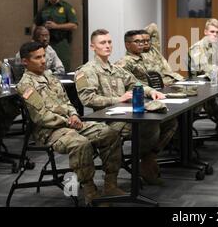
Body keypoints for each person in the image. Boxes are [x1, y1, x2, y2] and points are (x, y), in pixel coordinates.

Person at [16, 42, 124, 206]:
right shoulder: (26, 85)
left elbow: (66, 101)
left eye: (44, 56)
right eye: (37, 58)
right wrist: (68, 120)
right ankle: (90, 192)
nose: (43, 61)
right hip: (49, 132)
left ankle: (110, 185)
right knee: (81, 143)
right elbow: (41, 117)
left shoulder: (50, 76)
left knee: (110, 133)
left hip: (71, 123)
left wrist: (73, 114)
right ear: (25, 61)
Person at [75, 29, 177, 185]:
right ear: (92, 46)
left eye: (109, 42)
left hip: (127, 114)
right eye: (102, 42)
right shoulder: (86, 71)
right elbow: (88, 99)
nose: (107, 45)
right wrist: (118, 99)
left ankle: (148, 158)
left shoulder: (116, 69)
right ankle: (144, 161)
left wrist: (152, 91)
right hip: (107, 119)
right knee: (151, 125)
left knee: (170, 121)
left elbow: (136, 83)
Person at [34, 0, 78, 72]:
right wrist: (33, 38)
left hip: (61, 44)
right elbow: (35, 23)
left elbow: (74, 25)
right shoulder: (44, 8)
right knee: (42, 68)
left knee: (62, 69)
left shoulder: (66, 7)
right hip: (45, 44)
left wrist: (56, 26)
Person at [116, 30, 183, 86]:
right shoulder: (125, 61)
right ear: (127, 45)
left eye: (141, 41)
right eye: (137, 41)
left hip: (159, 88)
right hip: (145, 92)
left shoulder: (146, 56)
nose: (141, 44)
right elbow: (129, 83)